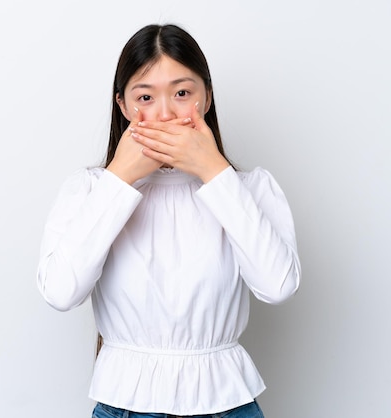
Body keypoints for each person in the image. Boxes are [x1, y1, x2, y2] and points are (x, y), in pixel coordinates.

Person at [36, 23, 301, 418]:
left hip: (228, 404)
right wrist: (120, 178)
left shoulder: (250, 189)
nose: (163, 113)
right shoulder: (89, 191)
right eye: (145, 96)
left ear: (206, 97)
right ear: (123, 106)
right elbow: (60, 292)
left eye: (182, 93)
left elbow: (278, 285)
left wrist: (214, 171)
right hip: (125, 406)